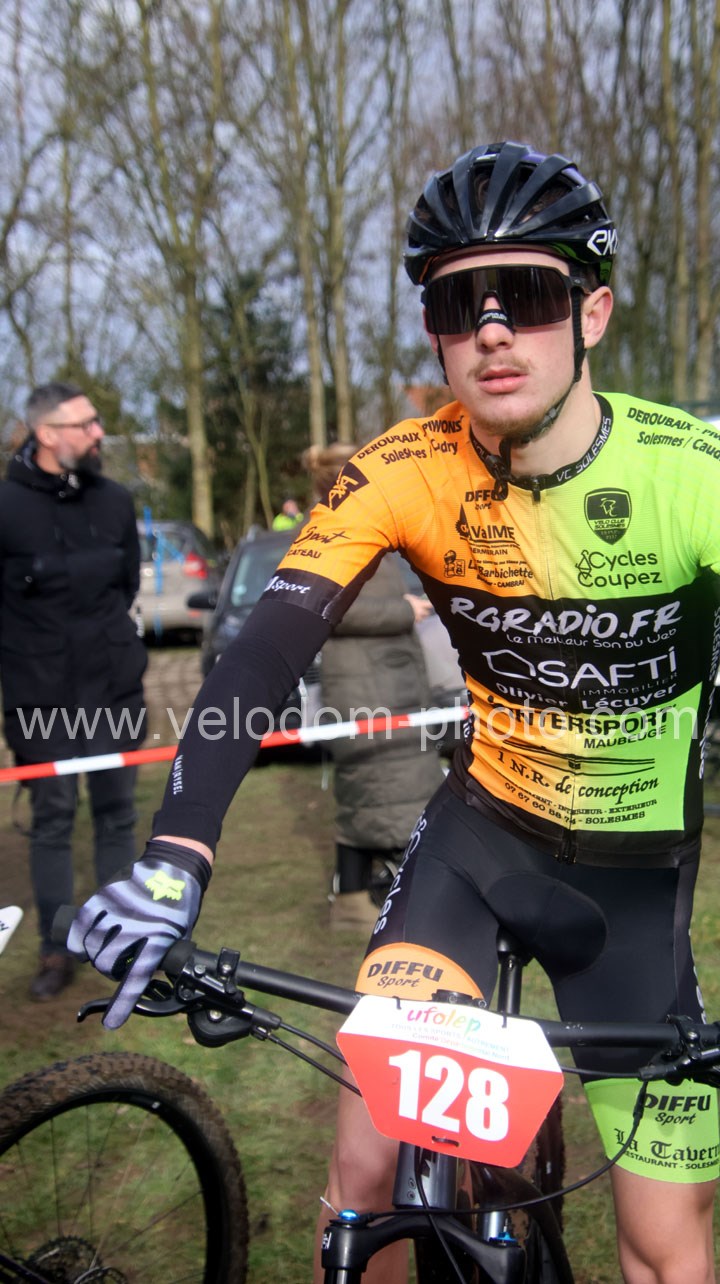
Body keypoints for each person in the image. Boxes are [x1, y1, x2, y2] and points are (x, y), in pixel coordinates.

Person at [66, 141, 720, 1284]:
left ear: (594, 312)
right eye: (460, 305)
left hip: (632, 889)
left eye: (526, 295)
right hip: (477, 850)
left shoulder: (692, 473)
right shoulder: (402, 467)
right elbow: (264, 652)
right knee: (362, 1186)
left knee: (666, 1245)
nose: (493, 332)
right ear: (434, 332)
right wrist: (175, 857)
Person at [0, 381, 147, 1000]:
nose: (98, 433)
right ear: (46, 433)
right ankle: (57, 948)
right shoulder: (7, 507)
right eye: (85, 424)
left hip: (113, 691)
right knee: (53, 821)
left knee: (117, 815)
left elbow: (127, 585)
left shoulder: (114, 501)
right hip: (40, 700)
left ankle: (118, 940)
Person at [303, 443, 444, 930]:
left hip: (387, 683)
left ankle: (367, 896)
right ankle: (363, 900)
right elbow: (331, 608)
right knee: (375, 792)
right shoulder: (328, 535)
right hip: (366, 689)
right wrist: (403, 610)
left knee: (388, 792)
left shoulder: (369, 531)